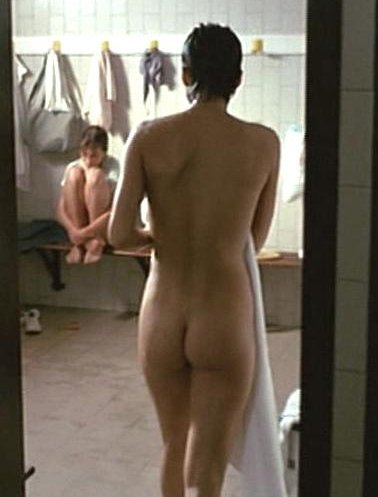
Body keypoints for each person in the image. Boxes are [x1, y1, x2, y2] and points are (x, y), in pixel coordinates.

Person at [108, 24, 280, 497]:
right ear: (238, 78)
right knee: (208, 468)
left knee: (174, 443)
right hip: (223, 313)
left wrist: (156, 236)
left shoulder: (148, 137)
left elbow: (118, 233)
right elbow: (253, 240)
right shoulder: (263, 144)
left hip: (162, 311)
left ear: (185, 74)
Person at [56, 125, 120, 264]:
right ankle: (81, 245)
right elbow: (60, 210)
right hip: (78, 231)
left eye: (94, 156)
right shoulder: (75, 166)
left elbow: (115, 211)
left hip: (104, 228)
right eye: (84, 155)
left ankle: (96, 240)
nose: (88, 161)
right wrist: (73, 231)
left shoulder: (114, 167)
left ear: (104, 153)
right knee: (74, 174)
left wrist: (85, 233)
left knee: (94, 175)